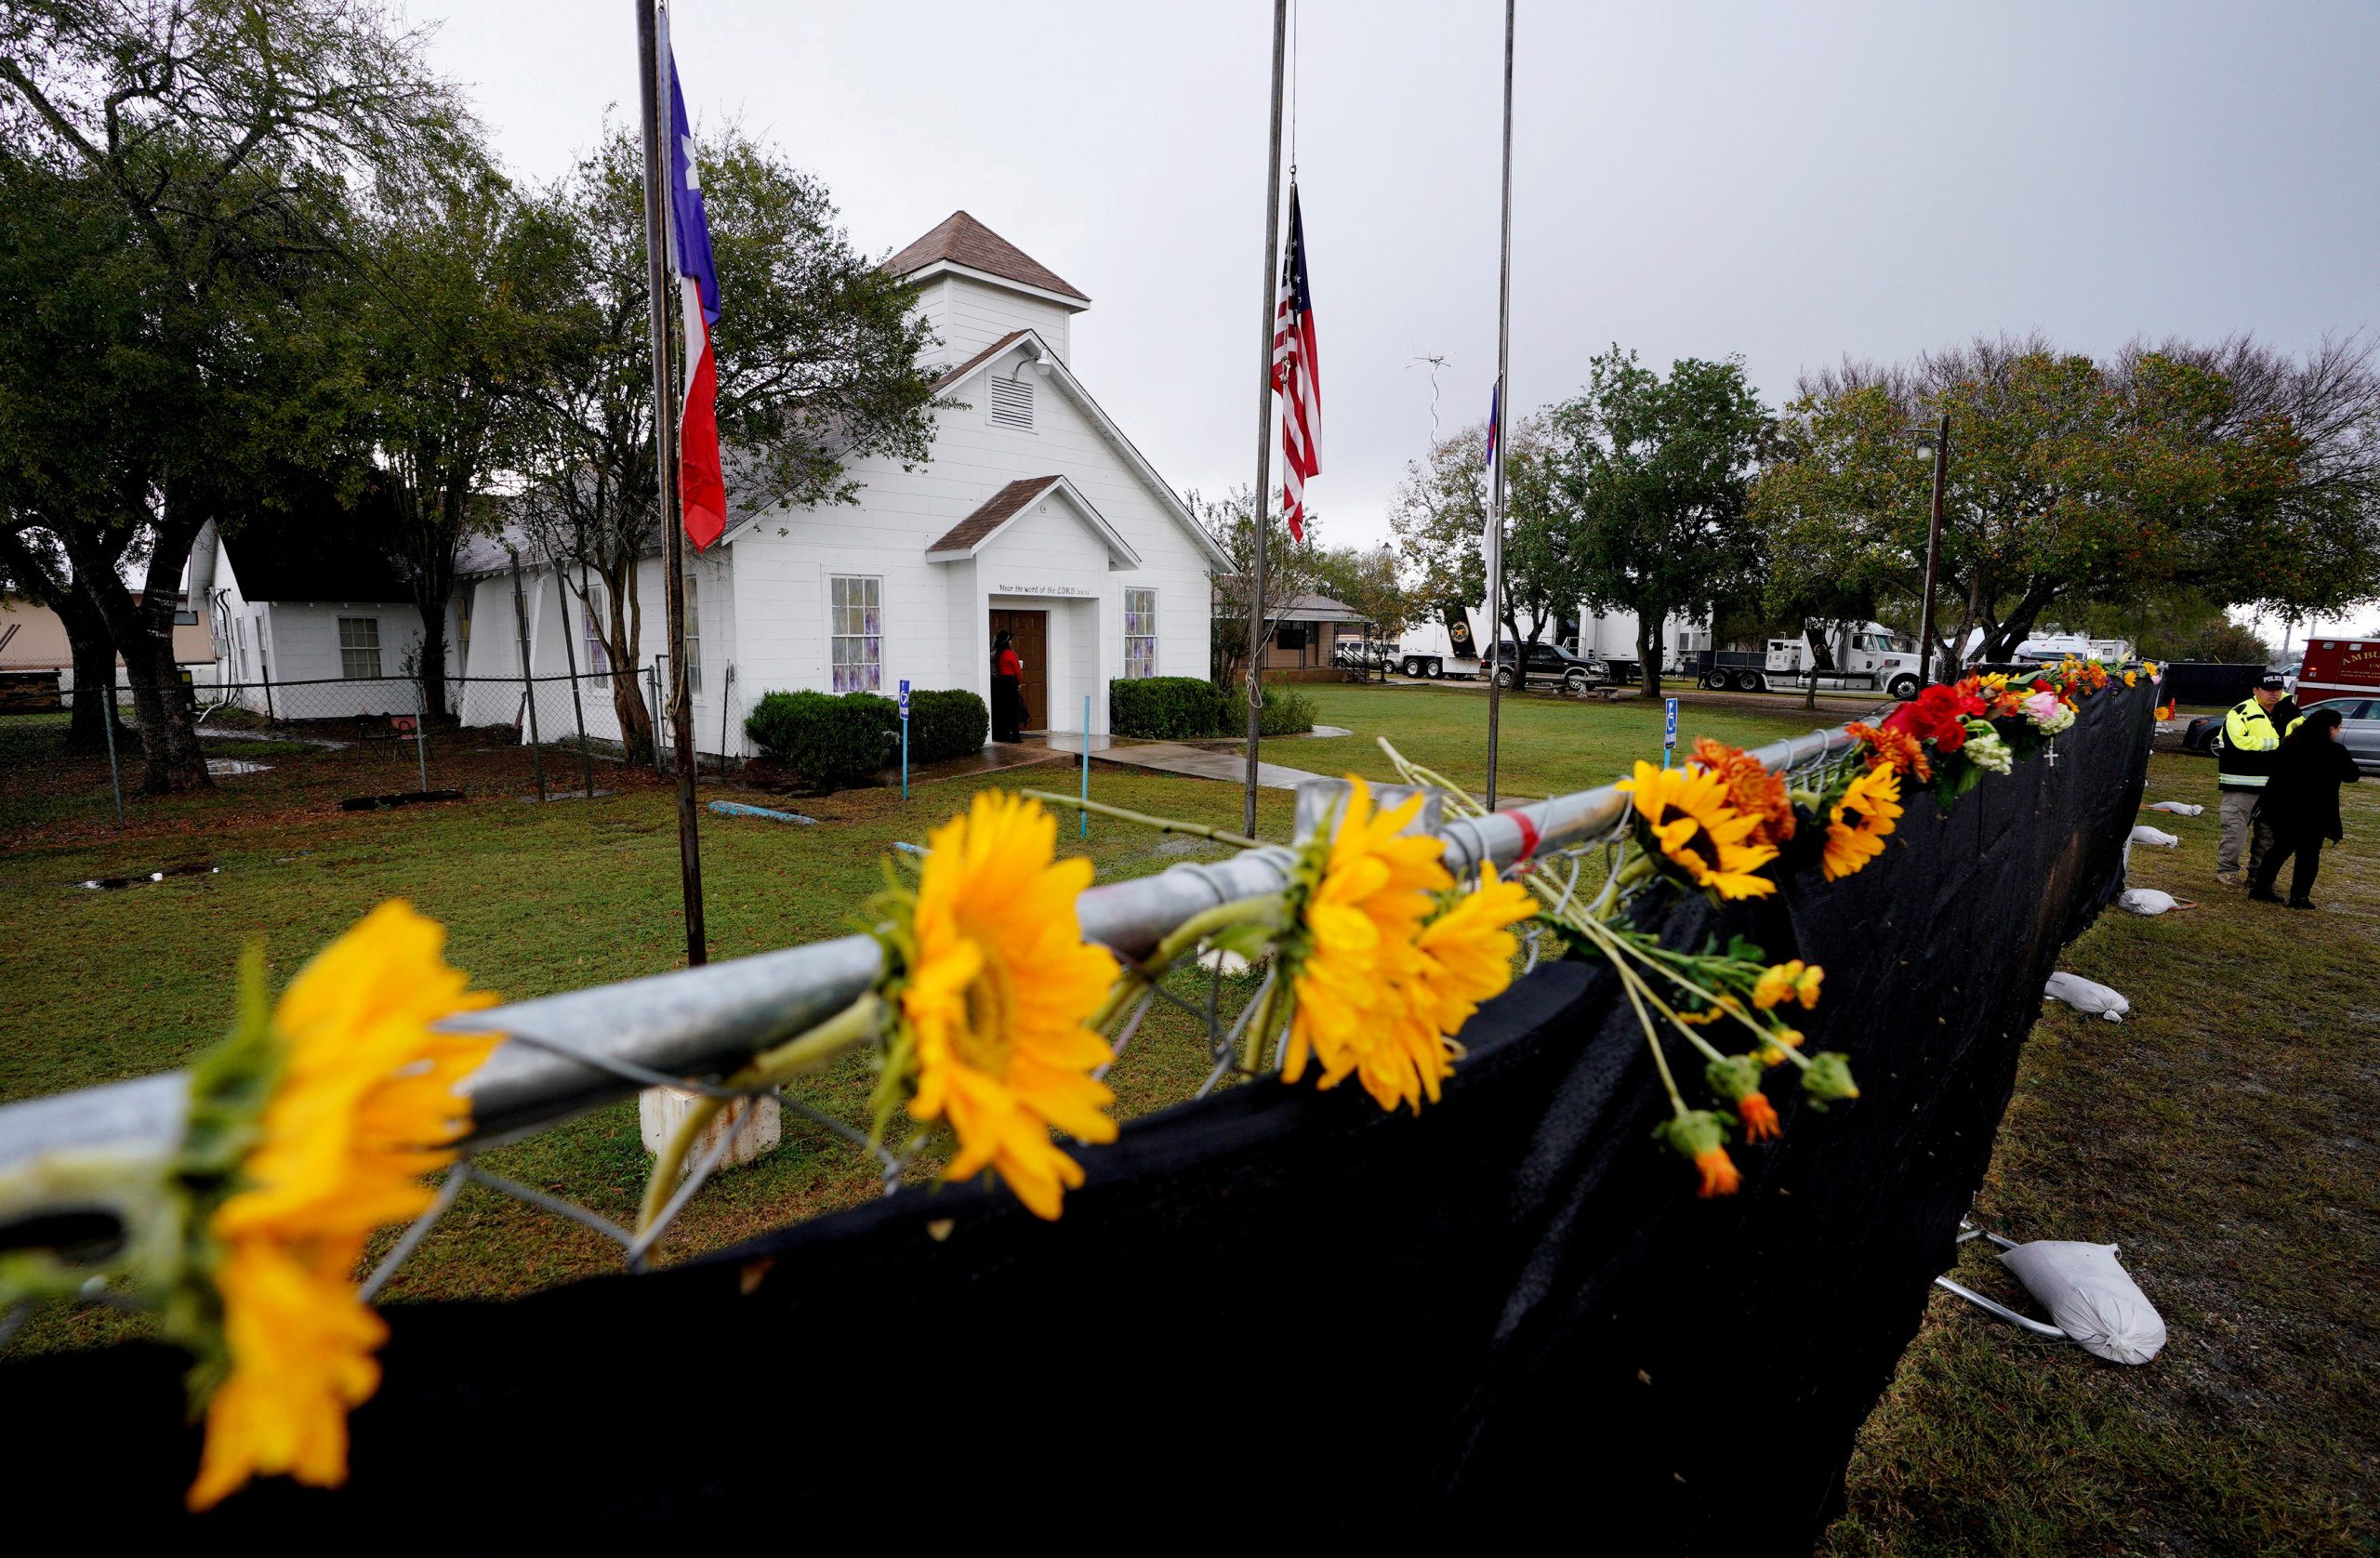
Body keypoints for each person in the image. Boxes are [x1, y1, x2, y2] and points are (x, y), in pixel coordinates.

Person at [2248, 706, 2359, 909]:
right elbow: (2352, 775)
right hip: (2316, 811)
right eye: (2338, 727)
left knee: (2279, 849)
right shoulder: (2335, 751)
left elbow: (2272, 769)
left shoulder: (2290, 744)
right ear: (2331, 728)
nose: (2338, 731)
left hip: (2284, 808)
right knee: (2308, 855)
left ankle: (2261, 888)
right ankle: (2299, 897)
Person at [2213, 671, 2292, 883]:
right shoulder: (2241, 712)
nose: (2274, 694)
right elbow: (2237, 743)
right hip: (2242, 781)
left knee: (2269, 832)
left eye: (2278, 689)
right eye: (2269, 690)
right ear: (2256, 690)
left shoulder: (2289, 711)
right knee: (2235, 828)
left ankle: (2259, 875)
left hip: (2275, 783)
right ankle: (2227, 871)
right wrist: (2277, 744)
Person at [990, 630, 1024, 743]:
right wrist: (1019, 683)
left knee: (1004, 708)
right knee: (1015, 708)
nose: (1011, 641)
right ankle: (1015, 736)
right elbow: (1017, 670)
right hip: (1010, 681)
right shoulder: (1009, 653)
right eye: (1010, 639)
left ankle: (1004, 734)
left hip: (1002, 682)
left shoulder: (998, 654)